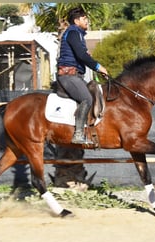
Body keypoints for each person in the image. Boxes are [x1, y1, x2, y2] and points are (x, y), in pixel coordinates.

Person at [57, 7, 108, 144]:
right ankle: (78, 134)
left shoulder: (77, 34)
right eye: (84, 19)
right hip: (69, 76)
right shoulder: (73, 32)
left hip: (75, 75)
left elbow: (80, 55)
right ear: (76, 20)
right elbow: (81, 55)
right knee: (86, 98)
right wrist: (99, 67)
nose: (87, 21)